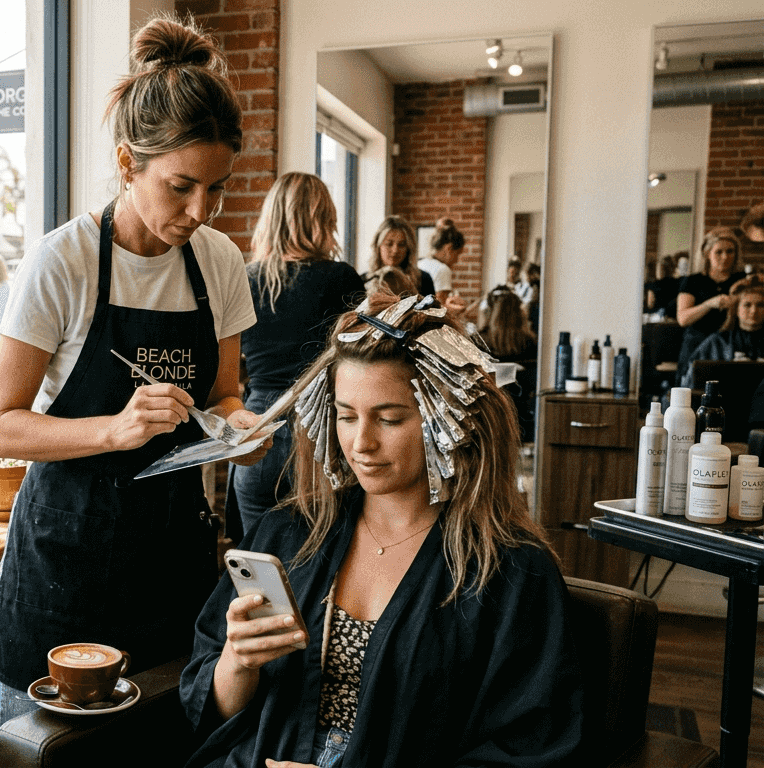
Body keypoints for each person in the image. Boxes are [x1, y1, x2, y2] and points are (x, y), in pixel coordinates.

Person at [0, 16, 266, 764]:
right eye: (180, 187)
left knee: (156, 747)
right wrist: (112, 430)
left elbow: (226, 396)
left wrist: (241, 431)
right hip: (64, 558)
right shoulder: (65, 261)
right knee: (42, 752)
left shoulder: (220, 263)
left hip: (171, 554)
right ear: (127, 164)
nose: (200, 211)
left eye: (217, 189)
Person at [180, 292, 583, 768]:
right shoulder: (288, 533)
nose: (361, 443)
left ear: (446, 418)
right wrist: (237, 663)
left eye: (390, 418)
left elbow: (530, 748)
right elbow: (209, 711)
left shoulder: (510, 573)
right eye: (346, 416)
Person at [231, 172, 364, 540]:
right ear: (323, 219)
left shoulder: (246, 278)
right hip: (320, 437)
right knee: (321, 569)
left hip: (257, 433)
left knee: (259, 568)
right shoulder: (340, 279)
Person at [676, 226, 746, 384]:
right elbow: (683, 319)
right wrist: (709, 304)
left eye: (730, 252)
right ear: (707, 253)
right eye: (719, 252)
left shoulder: (742, 281)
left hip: (731, 347)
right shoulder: (693, 281)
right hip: (696, 344)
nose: (725, 257)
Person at [479, 289, 538, 441]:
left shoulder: (479, 342)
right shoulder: (530, 344)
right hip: (522, 416)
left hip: (488, 417)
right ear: (518, 314)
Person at [684, 274, 764, 387]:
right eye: (747, 305)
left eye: (760, 305)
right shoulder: (717, 342)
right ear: (736, 309)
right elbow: (692, 381)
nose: (754, 311)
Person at [362, 217, 433, 297]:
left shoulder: (423, 279)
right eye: (389, 244)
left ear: (408, 248)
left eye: (401, 245)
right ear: (378, 246)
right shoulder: (363, 280)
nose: (395, 250)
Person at [417, 217, 468, 315]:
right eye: (457, 254)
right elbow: (439, 310)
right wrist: (461, 308)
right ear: (449, 249)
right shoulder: (443, 270)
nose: (457, 260)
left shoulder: (420, 263)